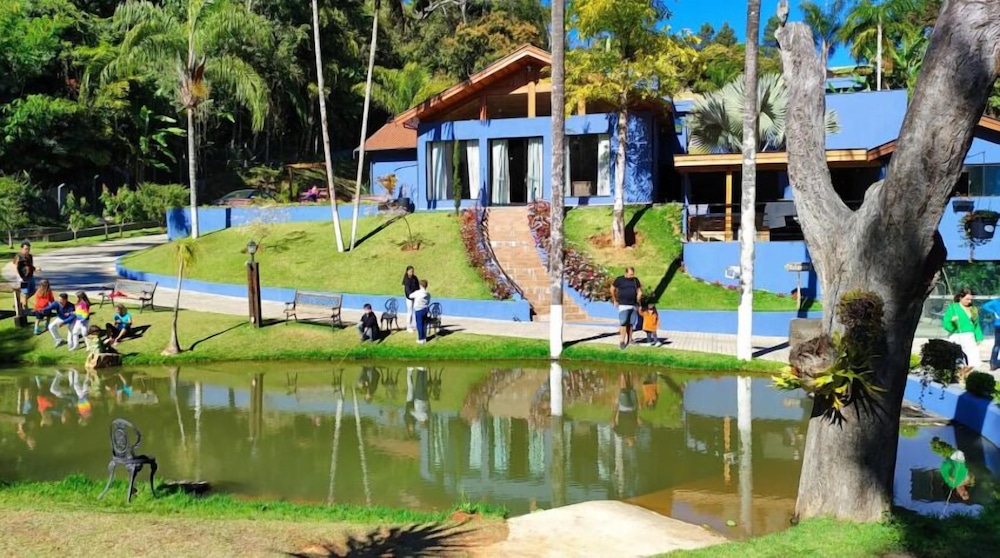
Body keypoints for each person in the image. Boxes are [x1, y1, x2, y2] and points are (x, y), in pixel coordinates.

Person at [942, 288, 983, 371]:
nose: (969, 301)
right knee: (956, 356)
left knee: (973, 356)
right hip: (956, 335)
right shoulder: (953, 307)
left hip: (969, 336)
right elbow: (946, 323)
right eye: (967, 299)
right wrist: (952, 323)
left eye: (971, 299)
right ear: (960, 297)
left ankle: (972, 373)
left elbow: (976, 324)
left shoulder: (973, 309)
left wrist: (978, 337)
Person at [611, 267, 643, 350]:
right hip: (623, 305)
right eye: (630, 274)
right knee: (624, 323)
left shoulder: (635, 280)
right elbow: (612, 289)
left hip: (633, 304)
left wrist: (639, 295)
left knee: (631, 323)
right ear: (626, 273)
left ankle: (630, 340)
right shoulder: (620, 279)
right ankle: (622, 341)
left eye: (633, 274)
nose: (632, 276)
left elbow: (639, 290)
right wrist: (615, 300)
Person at [12, 241, 39, 306]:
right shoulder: (18, 256)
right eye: (26, 249)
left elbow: (30, 265)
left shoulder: (30, 256)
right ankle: (25, 309)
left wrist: (35, 269)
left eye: (28, 249)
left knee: (33, 290)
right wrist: (19, 276)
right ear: (22, 249)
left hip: (30, 276)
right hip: (23, 278)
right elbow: (15, 266)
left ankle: (20, 302)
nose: (27, 250)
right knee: (25, 293)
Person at [410, 279, 431, 345]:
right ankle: (424, 338)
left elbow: (410, 296)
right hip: (425, 309)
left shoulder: (417, 292)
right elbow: (428, 301)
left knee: (419, 324)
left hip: (419, 310)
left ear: (420, 285)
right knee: (424, 324)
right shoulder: (428, 294)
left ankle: (420, 338)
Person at [982, 296, 1000, 370]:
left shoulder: (996, 301)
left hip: (998, 325)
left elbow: (985, 306)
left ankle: (993, 363)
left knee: (997, 345)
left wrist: (994, 312)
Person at [402, 266, 420, 333]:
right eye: (410, 271)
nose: (411, 272)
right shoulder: (406, 279)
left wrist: (417, 295)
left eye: (412, 271)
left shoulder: (415, 278)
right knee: (410, 312)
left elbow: (418, 287)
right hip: (409, 298)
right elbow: (407, 290)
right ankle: (408, 326)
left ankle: (416, 325)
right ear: (407, 272)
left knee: (416, 311)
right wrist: (410, 297)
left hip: (415, 297)